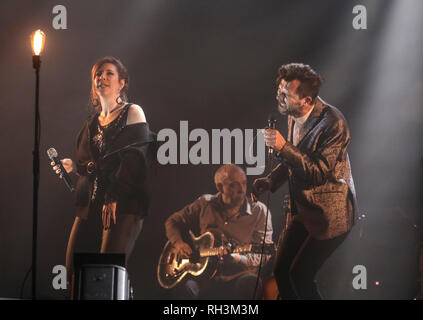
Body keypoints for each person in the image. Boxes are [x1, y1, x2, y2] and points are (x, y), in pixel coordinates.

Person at [252, 63, 357, 299]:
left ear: (307, 101)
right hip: (302, 209)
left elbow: (317, 172)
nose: (279, 97)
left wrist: (283, 147)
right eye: (279, 91)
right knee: (281, 272)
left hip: (329, 214)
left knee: (300, 275)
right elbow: (296, 161)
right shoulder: (293, 114)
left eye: (285, 95)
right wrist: (270, 181)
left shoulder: (333, 123)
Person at [51, 56, 156, 276]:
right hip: (91, 204)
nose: (102, 77)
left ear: (122, 82)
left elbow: (134, 160)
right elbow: (96, 167)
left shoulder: (132, 112)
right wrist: (75, 168)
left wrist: (114, 197)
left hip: (123, 203)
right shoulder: (91, 124)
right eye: (98, 74)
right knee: (73, 272)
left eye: (109, 73)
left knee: (105, 275)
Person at [165, 164, 273, 299]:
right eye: (234, 185)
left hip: (239, 276)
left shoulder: (259, 212)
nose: (241, 189)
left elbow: (263, 254)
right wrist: (179, 243)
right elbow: (172, 222)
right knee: (180, 289)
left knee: (250, 284)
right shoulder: (205, 203)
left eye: (244, 183)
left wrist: (239, 258)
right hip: (202, 278)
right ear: (220, 187)